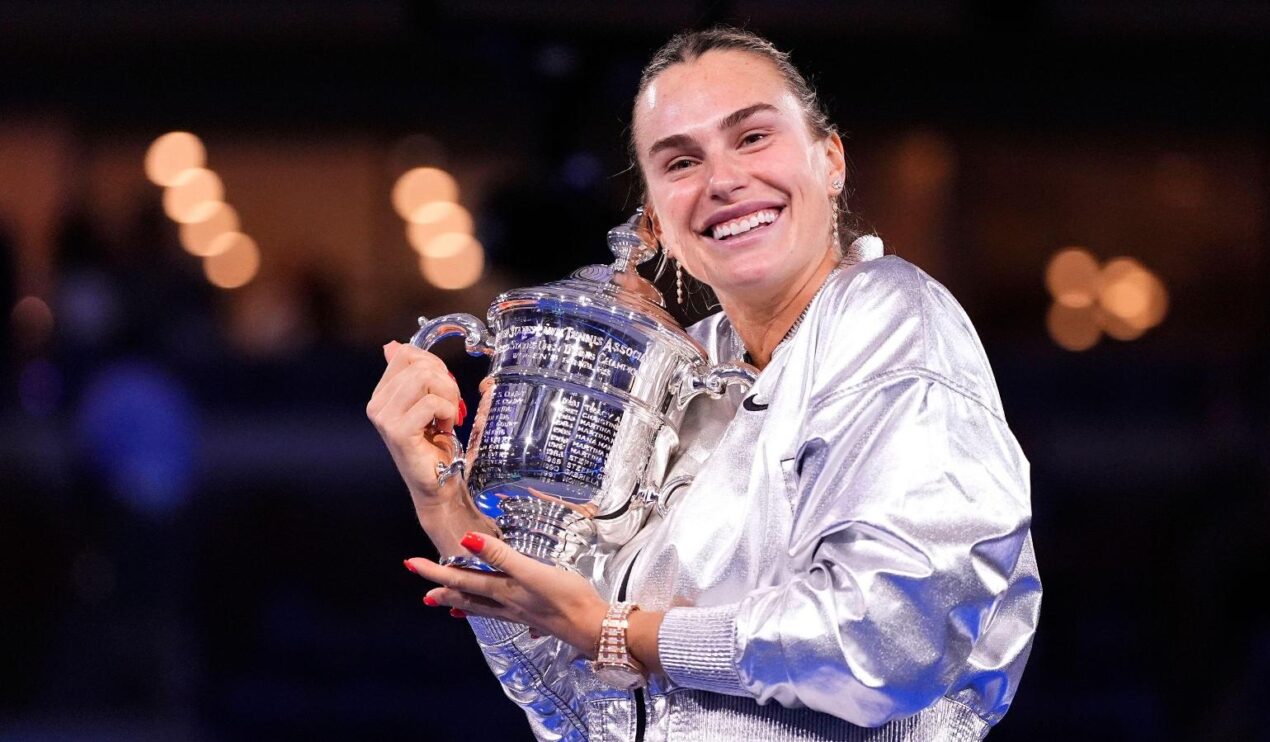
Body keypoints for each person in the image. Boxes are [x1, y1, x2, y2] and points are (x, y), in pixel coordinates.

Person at [368, 27, 1040, 741]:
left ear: (831, 159)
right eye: (681, 161)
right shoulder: (679, 370)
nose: (722, 180)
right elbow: (583, 711)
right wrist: (447, 505)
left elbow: (891, 640)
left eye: (752, 137)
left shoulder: (890, 313)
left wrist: (623, 632)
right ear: (656, 218)